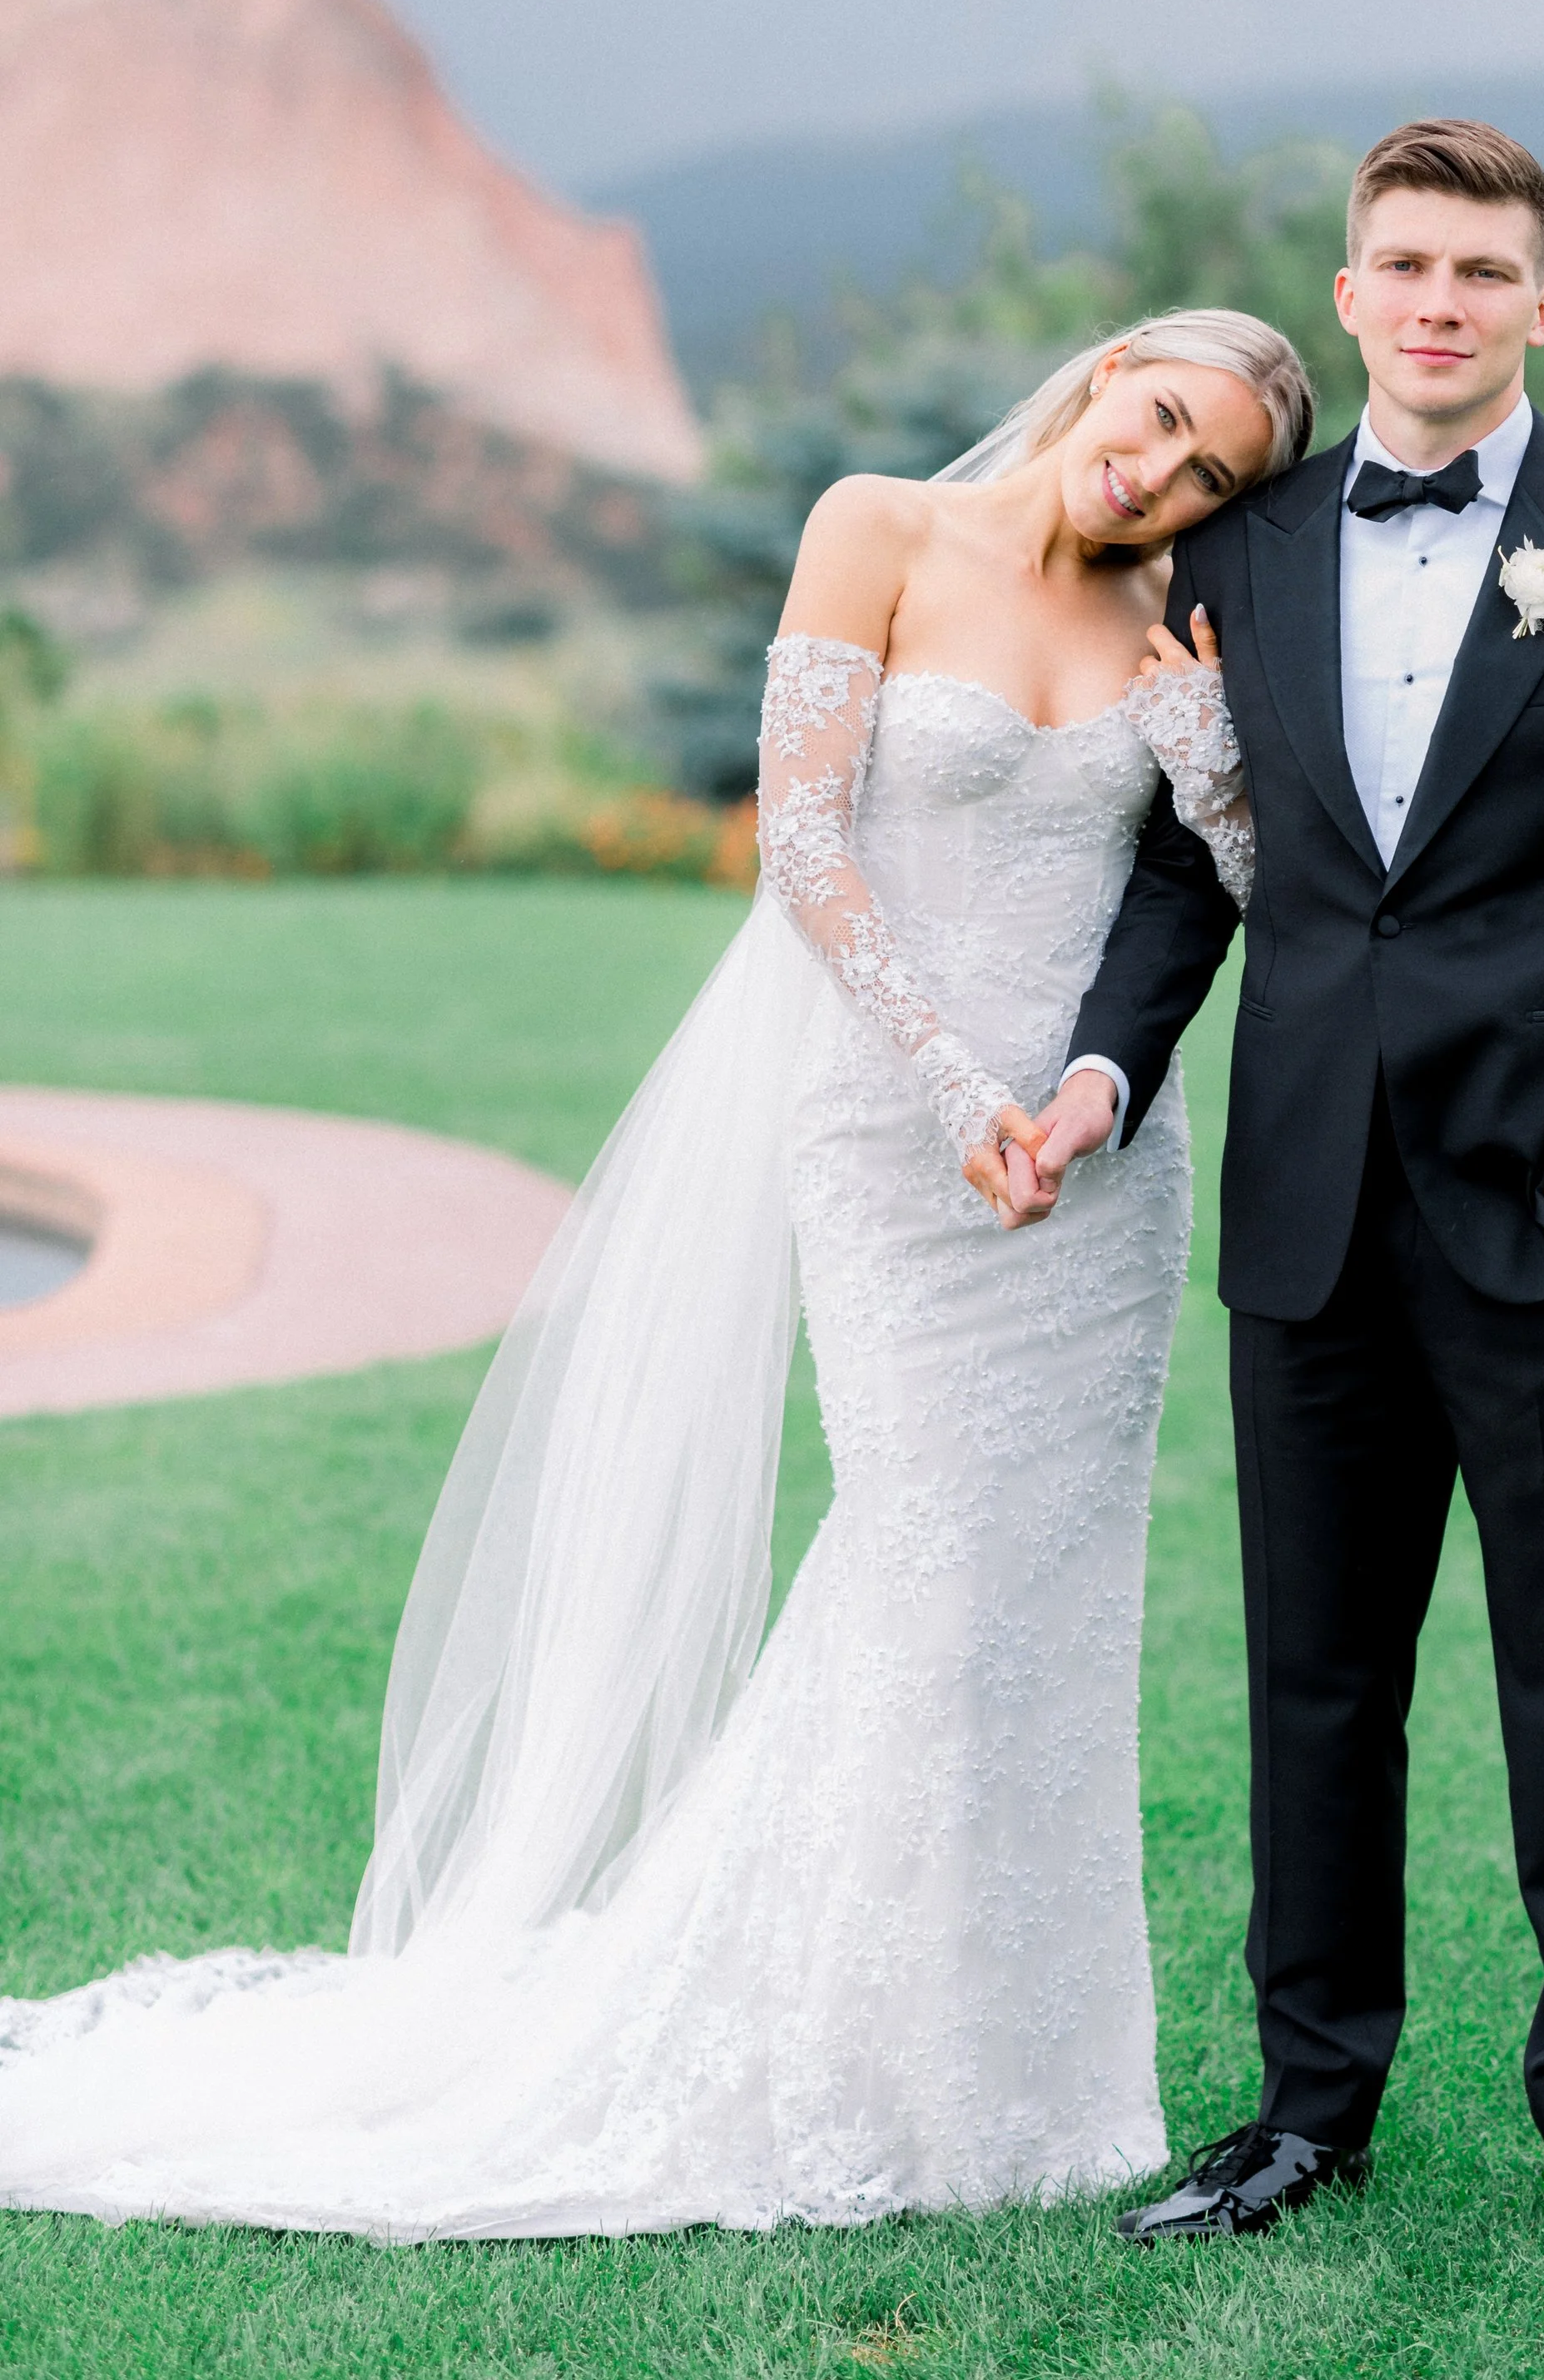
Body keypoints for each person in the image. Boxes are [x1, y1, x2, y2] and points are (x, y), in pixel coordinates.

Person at [0, 306, 1312, 2240]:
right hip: (893, 1131)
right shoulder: (876, 524)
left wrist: (1204, 772)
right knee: (921, 1563)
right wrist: (952, 1084)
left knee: (1047, 1609)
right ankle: (818, 2046)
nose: (1163, 478)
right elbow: (799, 837)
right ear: (1110, 370)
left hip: (1098, 1186)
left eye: (1211, 477)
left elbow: (1250, 893)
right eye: (1166, 425)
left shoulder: (1170, 626)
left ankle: (1029, 2082)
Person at [1017, 119, 1544, 2271]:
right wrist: (1109, 1068)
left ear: (1538, 309)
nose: (1435, 300)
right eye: (1401, 263)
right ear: (1346, 292)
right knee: (1315, 1685)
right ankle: (1308, 2110)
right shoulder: (1240, 552)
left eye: (1478, 272)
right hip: (1307, 1211)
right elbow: (1190, 868)